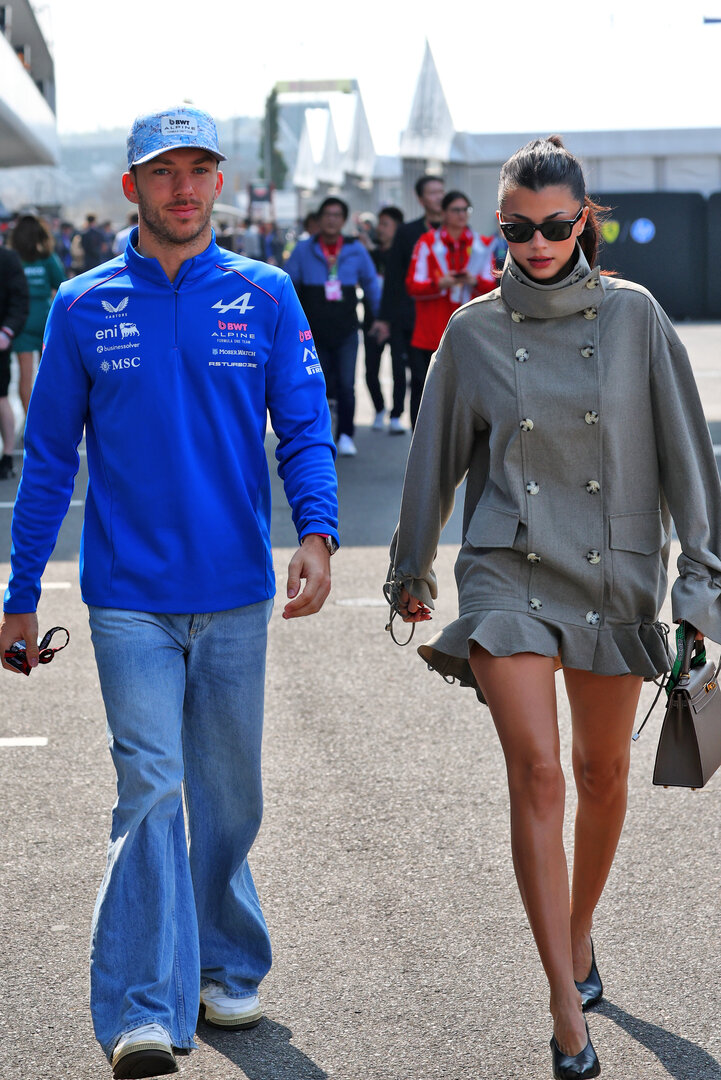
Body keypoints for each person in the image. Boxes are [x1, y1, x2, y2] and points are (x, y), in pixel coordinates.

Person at [0, 104, 339, 1080]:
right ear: (132, 188)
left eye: (198, 169)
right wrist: (22, 594)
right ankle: (142, 1008)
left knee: (230, 799)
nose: (181, 187)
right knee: (151, 788)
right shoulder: (82, 306)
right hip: (128, 600)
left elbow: (305, 427)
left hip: (234, 591)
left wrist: (317, 532)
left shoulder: (268, 294)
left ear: (218, 184)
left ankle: (225, 956)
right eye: (162, 171)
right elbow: (50, 462)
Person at [385, 136, 721, 1079]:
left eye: (552, 225)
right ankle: (562, 1004)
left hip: (613, 573)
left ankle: (576, 936)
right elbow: (433, 459)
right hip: (506, 576)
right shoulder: (472, 329)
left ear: (584, 219)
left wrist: (701, 587)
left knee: (600, 771)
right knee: (538, 775)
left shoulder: (636, 318)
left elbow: (690, 462)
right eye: (515, 227)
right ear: (499, 227)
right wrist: (409, 569)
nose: (535, 242)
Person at [285, 196, 382, 457]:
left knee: (347, 384)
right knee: (318, 383)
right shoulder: (304, 249)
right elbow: (287, 287)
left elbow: (371, 284)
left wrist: (381, 318)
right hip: (311, 332)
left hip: (347, 329)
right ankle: (320, 434)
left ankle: (347, 434)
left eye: (337, 215)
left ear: (344, 220)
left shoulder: (354, 249)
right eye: (327, 214)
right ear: (318, 219)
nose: (331, 219)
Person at [405, 191, 496, 426]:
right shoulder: (427, 243)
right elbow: (413, 285)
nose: (462, 214)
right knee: (425, 392)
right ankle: (420, 441)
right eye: (456, 209)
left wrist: (473, 280)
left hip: (470, 331)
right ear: (444, 213)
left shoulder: (482, 244)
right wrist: (440, 283)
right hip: (430, 330)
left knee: (467, 394)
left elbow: (492, 286)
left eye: (466, 209)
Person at [375, 175, 445, 431]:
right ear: (420, 198)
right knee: (419, 378)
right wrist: (385, 319)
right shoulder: (407, 233)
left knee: (450, 381)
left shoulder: (455, 230)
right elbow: (393, 278)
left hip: (450, 317)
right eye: (432, 192)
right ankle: (420, 439)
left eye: (441, 191)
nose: (438, 196)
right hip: (414, 319)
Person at [9, 214, 66, 416]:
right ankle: (49, 419)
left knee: (25, 375)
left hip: (20, 319)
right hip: (45, 317)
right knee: (48, 374)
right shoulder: (48, 258)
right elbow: (60, 287)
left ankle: (29, 421)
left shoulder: (12, 258)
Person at [362, 206, 404, 431]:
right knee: (370, 370)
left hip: (397, 321)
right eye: (380, 223)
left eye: (385, 224)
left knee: (398, 369)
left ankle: (396, 414)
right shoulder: (369, 255)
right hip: (372, 318)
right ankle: (379, 409)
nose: (380, 228)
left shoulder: (403, 256)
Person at [0, 244, 29, 479]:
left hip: (0, 339)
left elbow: (20, 299)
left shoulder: (8, 259)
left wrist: (7, 331)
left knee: (1, 398)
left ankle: (7, 456)